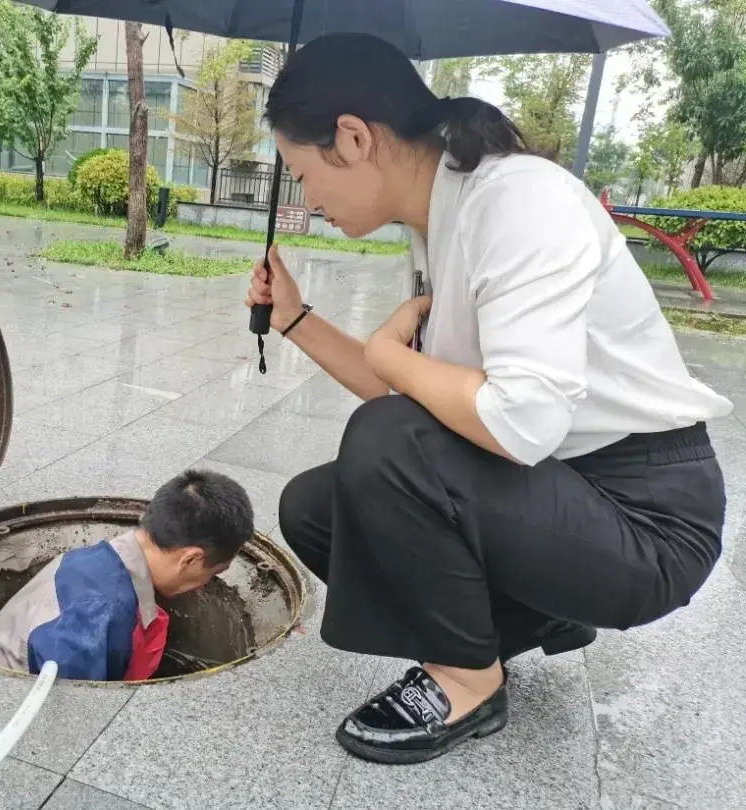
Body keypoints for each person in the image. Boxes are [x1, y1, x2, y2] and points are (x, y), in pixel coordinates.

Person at [245, 33, 732, 766]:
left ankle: (467, 681)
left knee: (383, 442)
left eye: (302, 172)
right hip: (561, 492)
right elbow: (428, 401)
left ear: (352, 138)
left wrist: (389, 359)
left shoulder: (519, 201)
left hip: (646, 518)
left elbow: (520, 419)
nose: (307, 200)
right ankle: (540, 613)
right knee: (320, 508)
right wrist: (295, 320)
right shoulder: (437, 222)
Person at [0, 469, 254, 681]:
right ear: (191, 558)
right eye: (213, 573)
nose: (205, 585)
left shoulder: (98, 560)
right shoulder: (101, 614)